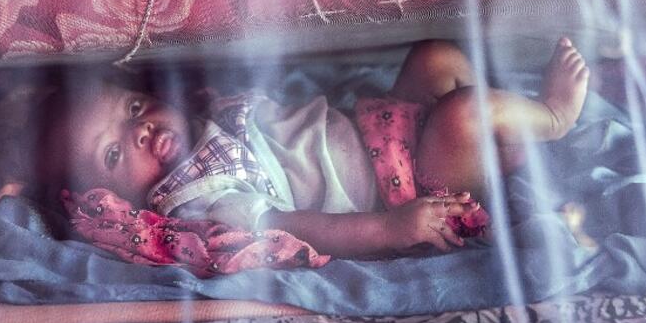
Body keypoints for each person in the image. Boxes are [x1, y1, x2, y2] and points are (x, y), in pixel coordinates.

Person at [40, 38, 589, 259]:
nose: (139, 130)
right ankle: (553, 118)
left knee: (434, 58)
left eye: (133, 108)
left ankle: (495, 147)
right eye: (114, 154)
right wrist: (392, 229)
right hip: (400, 192)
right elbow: (293, 227)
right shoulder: (200, 200)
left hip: (384, 130)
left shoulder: (203, 126)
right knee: (462, 112)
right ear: (112, 198)